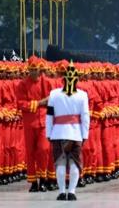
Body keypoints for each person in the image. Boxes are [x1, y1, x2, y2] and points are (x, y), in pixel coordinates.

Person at [46, 61, 90, 201]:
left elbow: (49, 116)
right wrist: (85, 134)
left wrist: (48, 133)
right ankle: (71, 192)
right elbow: (85, 117)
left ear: (63, 79)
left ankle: (61, 191)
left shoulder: (53, 94)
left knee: (60, 162)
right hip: (75, 133)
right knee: (74, 163)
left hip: (58, 133)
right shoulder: (82, 95)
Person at [16, 56, 53, 192]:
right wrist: (38, 103)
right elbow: (20, 103)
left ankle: (43, 178)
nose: (33, 73)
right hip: (29, 122)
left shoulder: (47, 83)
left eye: (35, 70)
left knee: (43, 150)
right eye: (31, 70)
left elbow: (52, 101)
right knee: (30, 152)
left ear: (39, 70)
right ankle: (33, 181)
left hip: (44, 121)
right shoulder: (22, 84)